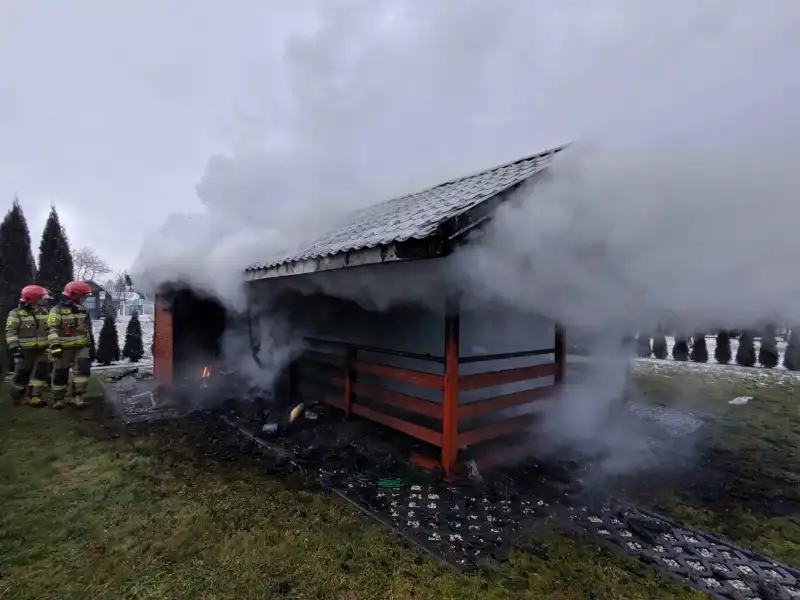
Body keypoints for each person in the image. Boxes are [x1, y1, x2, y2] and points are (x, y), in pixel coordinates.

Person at [48, 281, 92, 409]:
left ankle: (77, 397)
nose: (84, 298)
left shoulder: (83, 310)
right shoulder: (57, 310)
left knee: (83, 371)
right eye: (83, 295)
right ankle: (58, 399)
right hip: (63, 347)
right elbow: (52, 329)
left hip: (81, 346)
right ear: (74, 295)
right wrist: (55, 345)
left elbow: (87, 328)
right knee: (60, 372)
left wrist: (91, 345)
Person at [5, 285, 52, 406]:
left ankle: (35, 396)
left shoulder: (44, 311)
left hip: (42, 349)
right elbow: (11, 331)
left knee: (40, 372)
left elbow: (50, 329)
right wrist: (15, 348)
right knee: (22, 375)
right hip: (24, 351)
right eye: (41, 297)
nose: (44, 300)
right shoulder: (16, 314)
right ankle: (18, 397)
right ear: (32, 299)